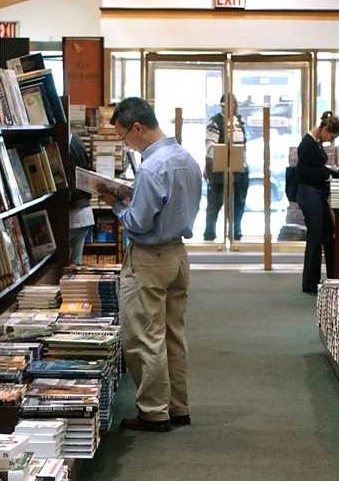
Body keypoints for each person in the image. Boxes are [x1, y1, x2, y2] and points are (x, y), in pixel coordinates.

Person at [108, 97, 203, 432]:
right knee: (173, 334)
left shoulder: (151, 167)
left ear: (138, 128)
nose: (126, 145)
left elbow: (138, 223)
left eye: (124, 138)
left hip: (150, 259)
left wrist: (117, 205)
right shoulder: (187, 160)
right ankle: (178, 407)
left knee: (144, 336)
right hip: (178, 255)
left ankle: (153, 411)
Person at [296, 111, 339, 294]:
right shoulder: (307, 144)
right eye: (331, 136)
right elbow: (304, 172)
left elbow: (316, 167)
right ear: (324, 129)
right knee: (315, 237)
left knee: (326, 232)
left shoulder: (315, 143)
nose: (330, 140)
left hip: (315, 194)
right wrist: (327, 175)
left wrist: (336, 175)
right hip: (309, 194)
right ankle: (310, 283)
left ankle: (331, 277)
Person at [202, 94, 249, 242]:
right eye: (227, 104)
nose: (231, 107)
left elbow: (243, 146)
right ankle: (209, 234)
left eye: (233, 104)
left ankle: (236, 232)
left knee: (239, 202)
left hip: (239, 169)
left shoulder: (239, 121)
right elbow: (210, 147)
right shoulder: (215, 121)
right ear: (222, 105)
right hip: (219, 170)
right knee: (214, 204)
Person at [67, 132, 94, 265]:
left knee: (63, 267)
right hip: (84, 211)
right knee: (75, 264)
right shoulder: (77, 141)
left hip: (72, 214)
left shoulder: (63, 144)